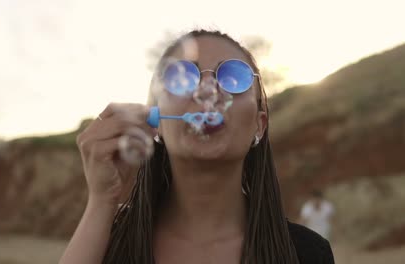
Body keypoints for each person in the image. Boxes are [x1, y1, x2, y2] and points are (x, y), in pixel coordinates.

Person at [59, 30, 335, 264]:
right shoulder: (104, 244)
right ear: (156, 122)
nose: (207, 92)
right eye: (180, 78)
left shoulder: (308, 254)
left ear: (258, 125)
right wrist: (101, 201)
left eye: (233, 78)